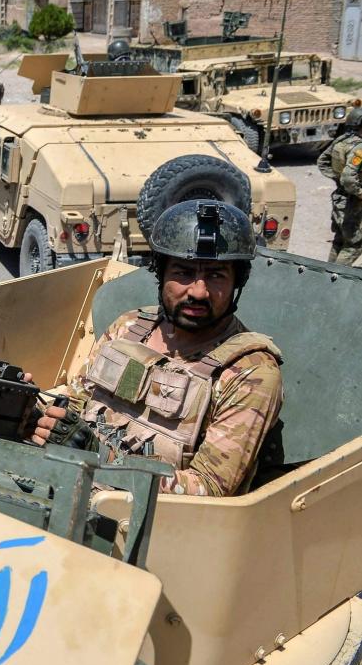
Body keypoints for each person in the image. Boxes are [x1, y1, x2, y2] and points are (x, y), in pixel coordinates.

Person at [30, 200, 283, 497]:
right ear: (161, 274)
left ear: (236, 283)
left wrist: (103, 459)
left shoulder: (249, 372)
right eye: (184, 272)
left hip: (153, 524)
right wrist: (29, 411)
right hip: (71, 485)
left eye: (216, 275)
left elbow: (211, 488)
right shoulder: (130, 328)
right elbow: (75, 404)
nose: (198, 291)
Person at [316, 107, 362, 266]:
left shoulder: (341, 141)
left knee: (340, 240)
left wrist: (338, 180)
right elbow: (349, 178)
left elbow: (323, 162)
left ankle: (328, 275)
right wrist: (359, 191)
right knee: (354, 244)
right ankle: (336, 278)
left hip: (340, 199)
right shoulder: (359, 148)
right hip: (353, 203)